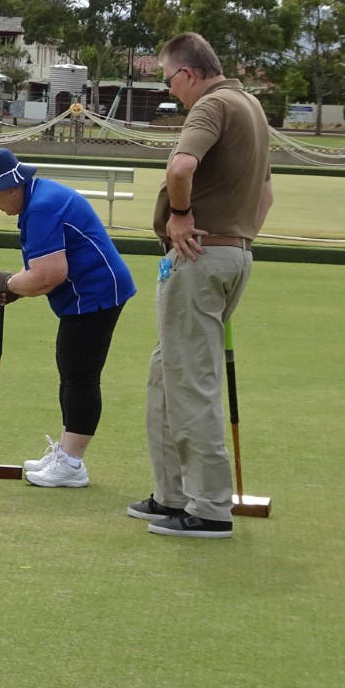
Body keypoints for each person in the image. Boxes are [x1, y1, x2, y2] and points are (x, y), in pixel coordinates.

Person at [132, 32, 275, 539]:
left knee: (190, 381)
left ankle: (211, 507)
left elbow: (181, 167)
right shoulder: (251, 105)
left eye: (169, 80)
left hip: (199, 256)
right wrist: (239, 243)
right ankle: (173, 494)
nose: (171, 91)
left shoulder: (212, 106)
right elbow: (266, 195)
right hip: (229, 254)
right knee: (165, 373)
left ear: (188, 73)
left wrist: (181, 216)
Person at [0, 146, 136, 488]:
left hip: (95, 294)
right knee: (72, 372)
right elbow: (40, 271)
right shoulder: (38, 199)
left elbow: (49, 275)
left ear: (11, 187)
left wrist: (9, 284)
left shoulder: (42, 207)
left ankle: (72, 465)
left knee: (79, 377)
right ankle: (65, 454)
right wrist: (15, 286)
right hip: (92, 292)